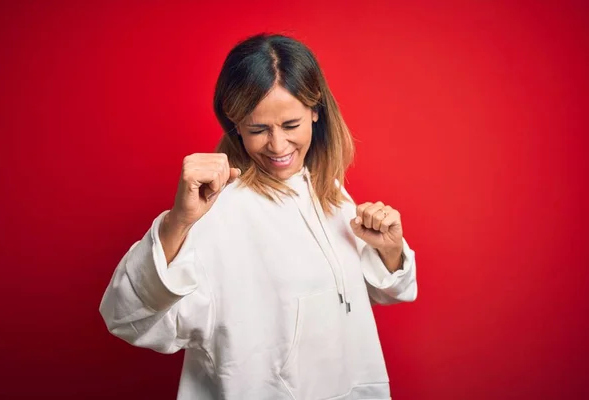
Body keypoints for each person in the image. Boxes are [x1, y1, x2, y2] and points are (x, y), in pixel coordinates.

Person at [99, 33, 418, 400]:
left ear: (316, 111)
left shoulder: (329, 193)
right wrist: (178, 223)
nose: (278, 146)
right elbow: (125, 317)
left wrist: (390, 250)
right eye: (258, 129)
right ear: (235, 125)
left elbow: (378, 294)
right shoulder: (218, 211)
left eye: (290, 125)